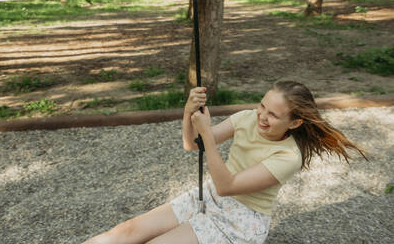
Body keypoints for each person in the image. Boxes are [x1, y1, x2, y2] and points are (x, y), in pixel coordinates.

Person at [82, 81, 367, 244]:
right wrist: (188, 111)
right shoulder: (245, 118)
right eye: (262, 106)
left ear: (295, 122)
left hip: (240, 221)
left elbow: (228, 185)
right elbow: (191, 144)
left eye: (273, 115)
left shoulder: (288, 157)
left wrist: (206, 131)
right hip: (210, 197)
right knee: (124, 232)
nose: (262, 117)